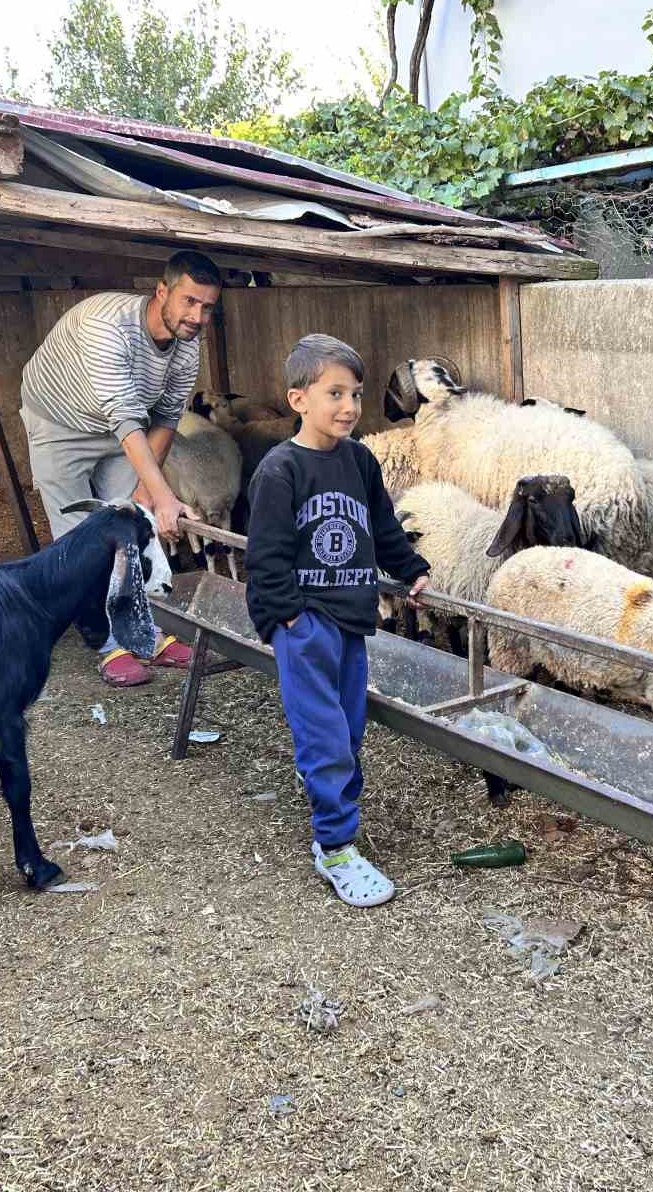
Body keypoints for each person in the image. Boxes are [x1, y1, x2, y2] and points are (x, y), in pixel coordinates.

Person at [244, 334, 430, 907]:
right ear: (298, 399)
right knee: (326, 738)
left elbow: (382, 526)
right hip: (305, 626)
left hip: (352, 618)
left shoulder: (360, 461)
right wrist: (290, 620)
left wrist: (410, 567)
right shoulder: (280, 471)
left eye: (355, 393)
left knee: (347, 730)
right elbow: (266, 558)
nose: (349, 406)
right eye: (334, 393)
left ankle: (326, 793)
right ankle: (336, 848)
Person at [20, 250, 220, 687]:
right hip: (59, 423)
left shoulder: (188, 345)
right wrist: (164, 496)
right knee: (79, 536)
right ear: (162, 292)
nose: (197, 316)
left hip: (121, 429)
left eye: (207, 307)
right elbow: (123, 415)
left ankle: (145, 633)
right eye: (189, 301)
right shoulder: (108, 326)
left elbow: (166, 416)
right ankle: (109, 645)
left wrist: (149, 495)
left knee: (129, 528)